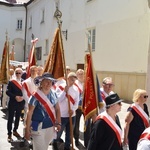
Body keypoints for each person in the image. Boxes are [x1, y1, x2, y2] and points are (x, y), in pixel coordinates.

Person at [24, 72, 61, 150]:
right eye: (46, 81)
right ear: (41, 82)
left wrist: (58, 122)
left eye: (50, 81)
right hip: (38, 127)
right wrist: (27, 129)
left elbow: (57, 109)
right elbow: (29, 112)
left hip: (50, 126)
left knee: (45, 147)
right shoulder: (35, 96)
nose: (48, 83)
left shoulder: (54, 94)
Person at [53, 72, 80, 150]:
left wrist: (73, 109)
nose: (73, 82)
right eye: (71, 80)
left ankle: (67, 146)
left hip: (72, 115)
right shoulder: (60, 87)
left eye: (74, 80)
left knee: (69, 132)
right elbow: (57, 100)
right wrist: (64, 91)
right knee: (59, 132)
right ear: (67, 79)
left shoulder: (76, 89)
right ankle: (55, 142)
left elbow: (77, 101)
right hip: (62, 115)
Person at [6, 67, 25, 142]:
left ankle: (15, 130)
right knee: (10, 118)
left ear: (21, 74)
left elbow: (25, 92)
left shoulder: (23, 82)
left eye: (19, 73)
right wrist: (15, 97)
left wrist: (23, 98)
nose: (18, 74)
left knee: (17, 118)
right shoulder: (11, 81)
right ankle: (9, 134)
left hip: (20, 103)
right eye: (16, 73)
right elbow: (7, 92)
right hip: (13, 102)